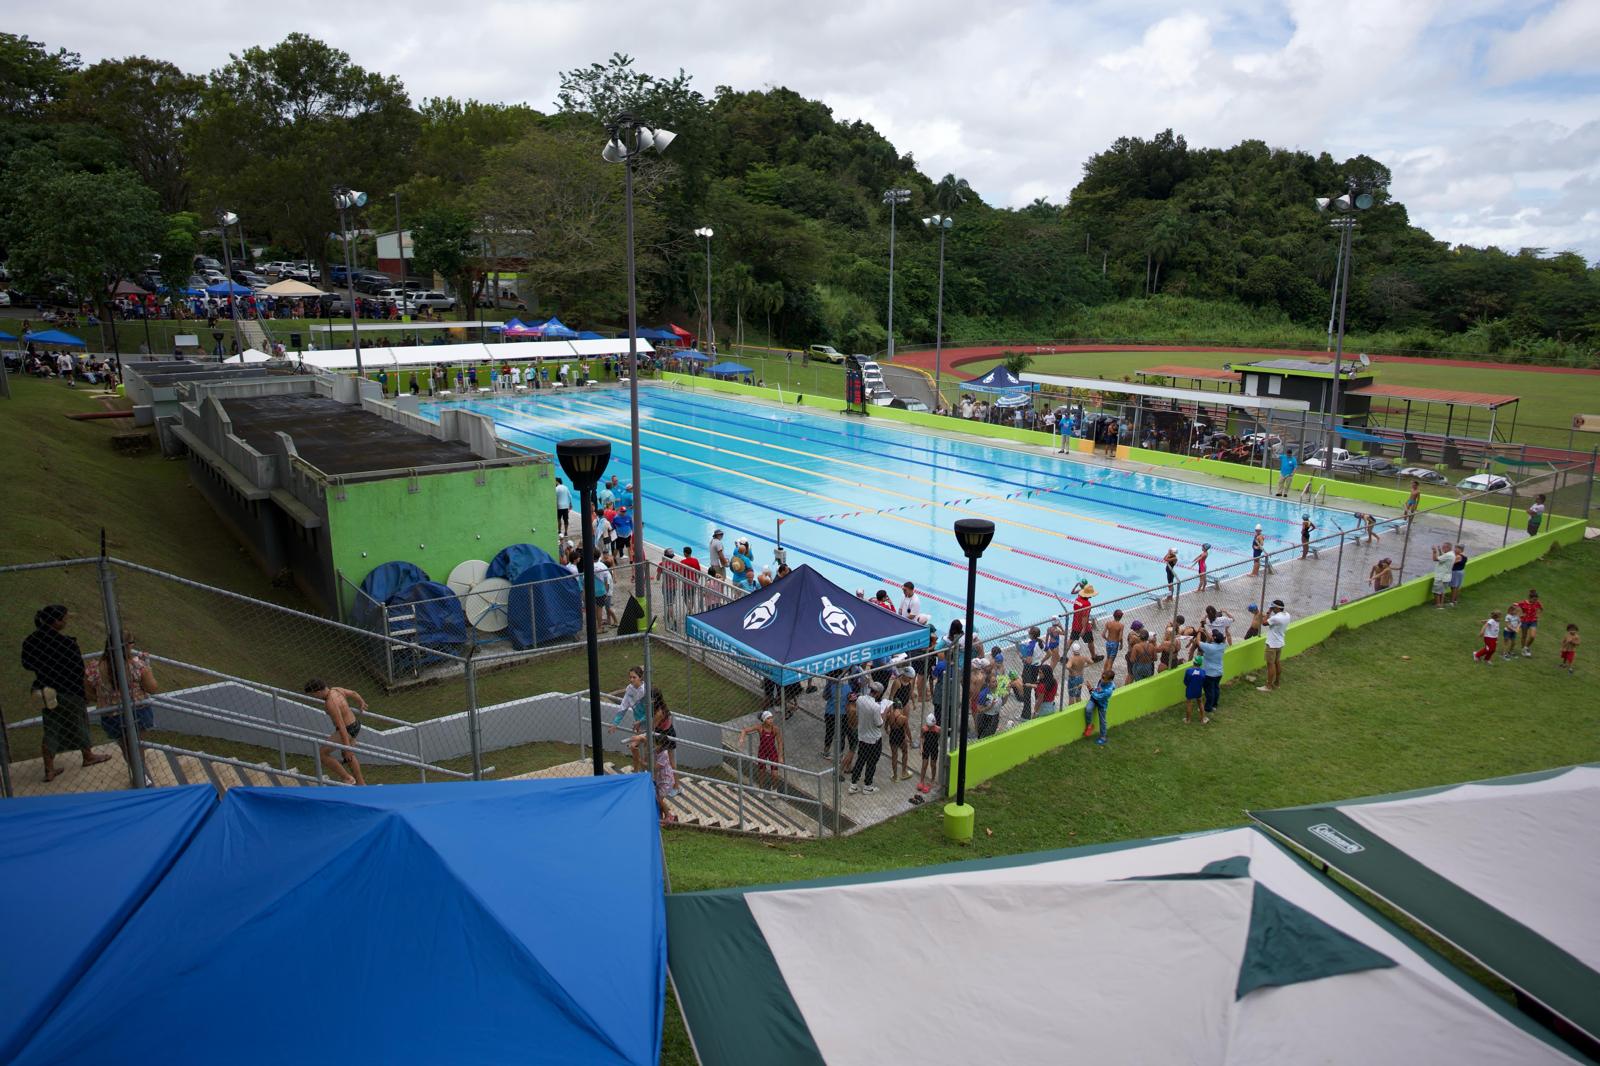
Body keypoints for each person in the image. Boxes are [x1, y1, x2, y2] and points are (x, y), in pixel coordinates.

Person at [21, 605, 112, 782]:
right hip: (69, 689)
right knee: (79, 721)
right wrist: (85, 692)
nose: (66, 621)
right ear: (56, 621)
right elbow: (78, 670)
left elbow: (27, 664)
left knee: (51, 726)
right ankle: (87, 756)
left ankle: (49, 769)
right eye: (64, 618)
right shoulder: (67, 643)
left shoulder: (31, 642)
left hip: (45, 690)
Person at [87, 632, 159, 776]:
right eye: (132, 643)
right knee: (138, 746)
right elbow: (152, 688)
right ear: (127, 646)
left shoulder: (95, 668)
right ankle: (142, 776)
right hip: (138, 711)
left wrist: (107, 699)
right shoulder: (137, 666)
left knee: (125, 747)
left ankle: (137, 773)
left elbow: (88, 693)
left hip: (110, 714)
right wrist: (147, 667)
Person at [304, 679, 367, 785]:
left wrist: (347, 748)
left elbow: (341, 726)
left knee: (322, 754)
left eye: (313, 695)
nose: (314, 697)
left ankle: (347, 778)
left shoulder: (331, 703)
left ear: (318, 692)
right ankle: (361, 783)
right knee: (348, 756)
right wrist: (361, 702)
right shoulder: (336, 690)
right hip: (355, 724)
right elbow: (353, 693)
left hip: (347, 729)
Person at [607, 665, 648, 769]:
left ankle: (646, 773)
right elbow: (623, 707)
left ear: (640, 677)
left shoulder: (646, 690)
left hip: (651, 725)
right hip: (639, 725)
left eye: (634, 677)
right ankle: (637, 771)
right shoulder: (629, 689)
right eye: (630, 677)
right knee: (635, 748)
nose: (631, 679)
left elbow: (652, 712)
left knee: (642, 751)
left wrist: (640, 721)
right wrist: (615, 724)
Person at [848, 684, 885, 794]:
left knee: (860, 760)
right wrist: (885, 713)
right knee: (872, 762)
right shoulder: (876, 707)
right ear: (878, 693)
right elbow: (879, 724)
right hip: (874, 739)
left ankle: (853, 785)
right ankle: (867, 786)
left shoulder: (860, 699)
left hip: (862, 736)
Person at [739, 710, 784, 792]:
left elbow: (780, 743)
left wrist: (780, 756)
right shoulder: (760, 727)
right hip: (762, 751)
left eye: (771, 718)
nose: (771, 720)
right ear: (764, 720)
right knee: (761, 771)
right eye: (768, 718)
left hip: (772, 751)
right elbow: (745, 730)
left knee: (775, 773)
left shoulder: (775, 729)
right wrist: (742, 738)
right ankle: (761, 788)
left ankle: (774, 788)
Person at [1258, 600, 1290, 691]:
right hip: (1280, 642)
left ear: (1277, 608)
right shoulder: (1287, 615)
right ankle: (1277, 682)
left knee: (1270, 664)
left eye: (1272, 608)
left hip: (1272, 644)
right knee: (1277, 662)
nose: (1271, 609)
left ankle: (1268, 686)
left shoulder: (1276, 618)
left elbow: (1263, 623)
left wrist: (1268, 612)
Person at [1197, 629, 1226, 718]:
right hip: (1219, 672)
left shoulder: (1210, 647)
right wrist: (1205, 630)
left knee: (1209, 691)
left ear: (1214, 638)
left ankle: (1208, 708)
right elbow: (1212, 638)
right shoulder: (1222, 645)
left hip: (1209, 673)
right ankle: (1214, 705)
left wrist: (1199, 632)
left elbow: (1198, 642)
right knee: (1216, 688)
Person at [1084, 666, 1115, 745]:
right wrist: (1092, 688)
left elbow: (1098, 697)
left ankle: (1103, 737)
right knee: (1088, 709)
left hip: (1102, 704)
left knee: (1102, 721)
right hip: (1094, 699)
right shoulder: (1101, 680)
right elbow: (1097, 689)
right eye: (1102, 676)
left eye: (1104, 678)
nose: (1101, 679)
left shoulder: (1108, 691)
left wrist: (1090, 689)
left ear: (1110, 680)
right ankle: (1089, 726)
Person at [885, 697, 912, 782]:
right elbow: (907, 730)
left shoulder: (889, 716)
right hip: (901, 737)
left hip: (893, 736)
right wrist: (911, 740)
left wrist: (888, 731)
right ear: (901, 707)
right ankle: (904, 772)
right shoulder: (903, 718)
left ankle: (895, 776)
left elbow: (886, 727)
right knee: (905, 752)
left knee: (894, 756)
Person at [917, 713, 941, 793]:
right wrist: (921, 747)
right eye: (929, 727)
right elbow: (922, 738)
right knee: (924, 764)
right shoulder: (924, 729)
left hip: (934, 748)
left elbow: (940, 738)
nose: (930, 728)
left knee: (933, 765)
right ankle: (921, 780)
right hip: (926, 747)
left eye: (932, 727)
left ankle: (932, 780)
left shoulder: (938, 729)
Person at [1516, 589, 1542, 657]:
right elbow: (1516, 606)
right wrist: (1520, 614)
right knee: (1524, 636)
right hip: (1524, 621)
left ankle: (1526, 647)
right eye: (1534, 600)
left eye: (1536, 599)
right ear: (1530, 598)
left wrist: (1538, 615)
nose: (1535, 601)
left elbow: (1541, 608)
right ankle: (1523, 650)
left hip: (1533, 621)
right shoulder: (1523, 603)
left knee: (1532, 636)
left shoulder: (1537, 603)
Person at [1182, 656, 1207, 724]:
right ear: (1201, 664)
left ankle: (1188, 720)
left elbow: (1185, 681)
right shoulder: (1203, 672)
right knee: (1200, 702)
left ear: (1193, 662)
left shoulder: (1188, 671)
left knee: (1189, 703)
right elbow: (1203, 682)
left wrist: (1189, 685)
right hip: (1198, 690)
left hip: (1189, 689)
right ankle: (1202, 719)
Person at [1431, 544, 1454, 608]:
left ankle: (1438, 605)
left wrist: (1434, 551)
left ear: (1447, 548)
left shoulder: (1448, 555)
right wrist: (1439, 551)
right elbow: (1443, 557)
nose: (1442, 548)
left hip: (1441, 577)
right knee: (1442, 591)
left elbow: (1435, 559)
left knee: (1437, 592)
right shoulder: (1451, 554)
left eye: (1443, 547)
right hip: (1447, 576)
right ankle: (1441, 604)